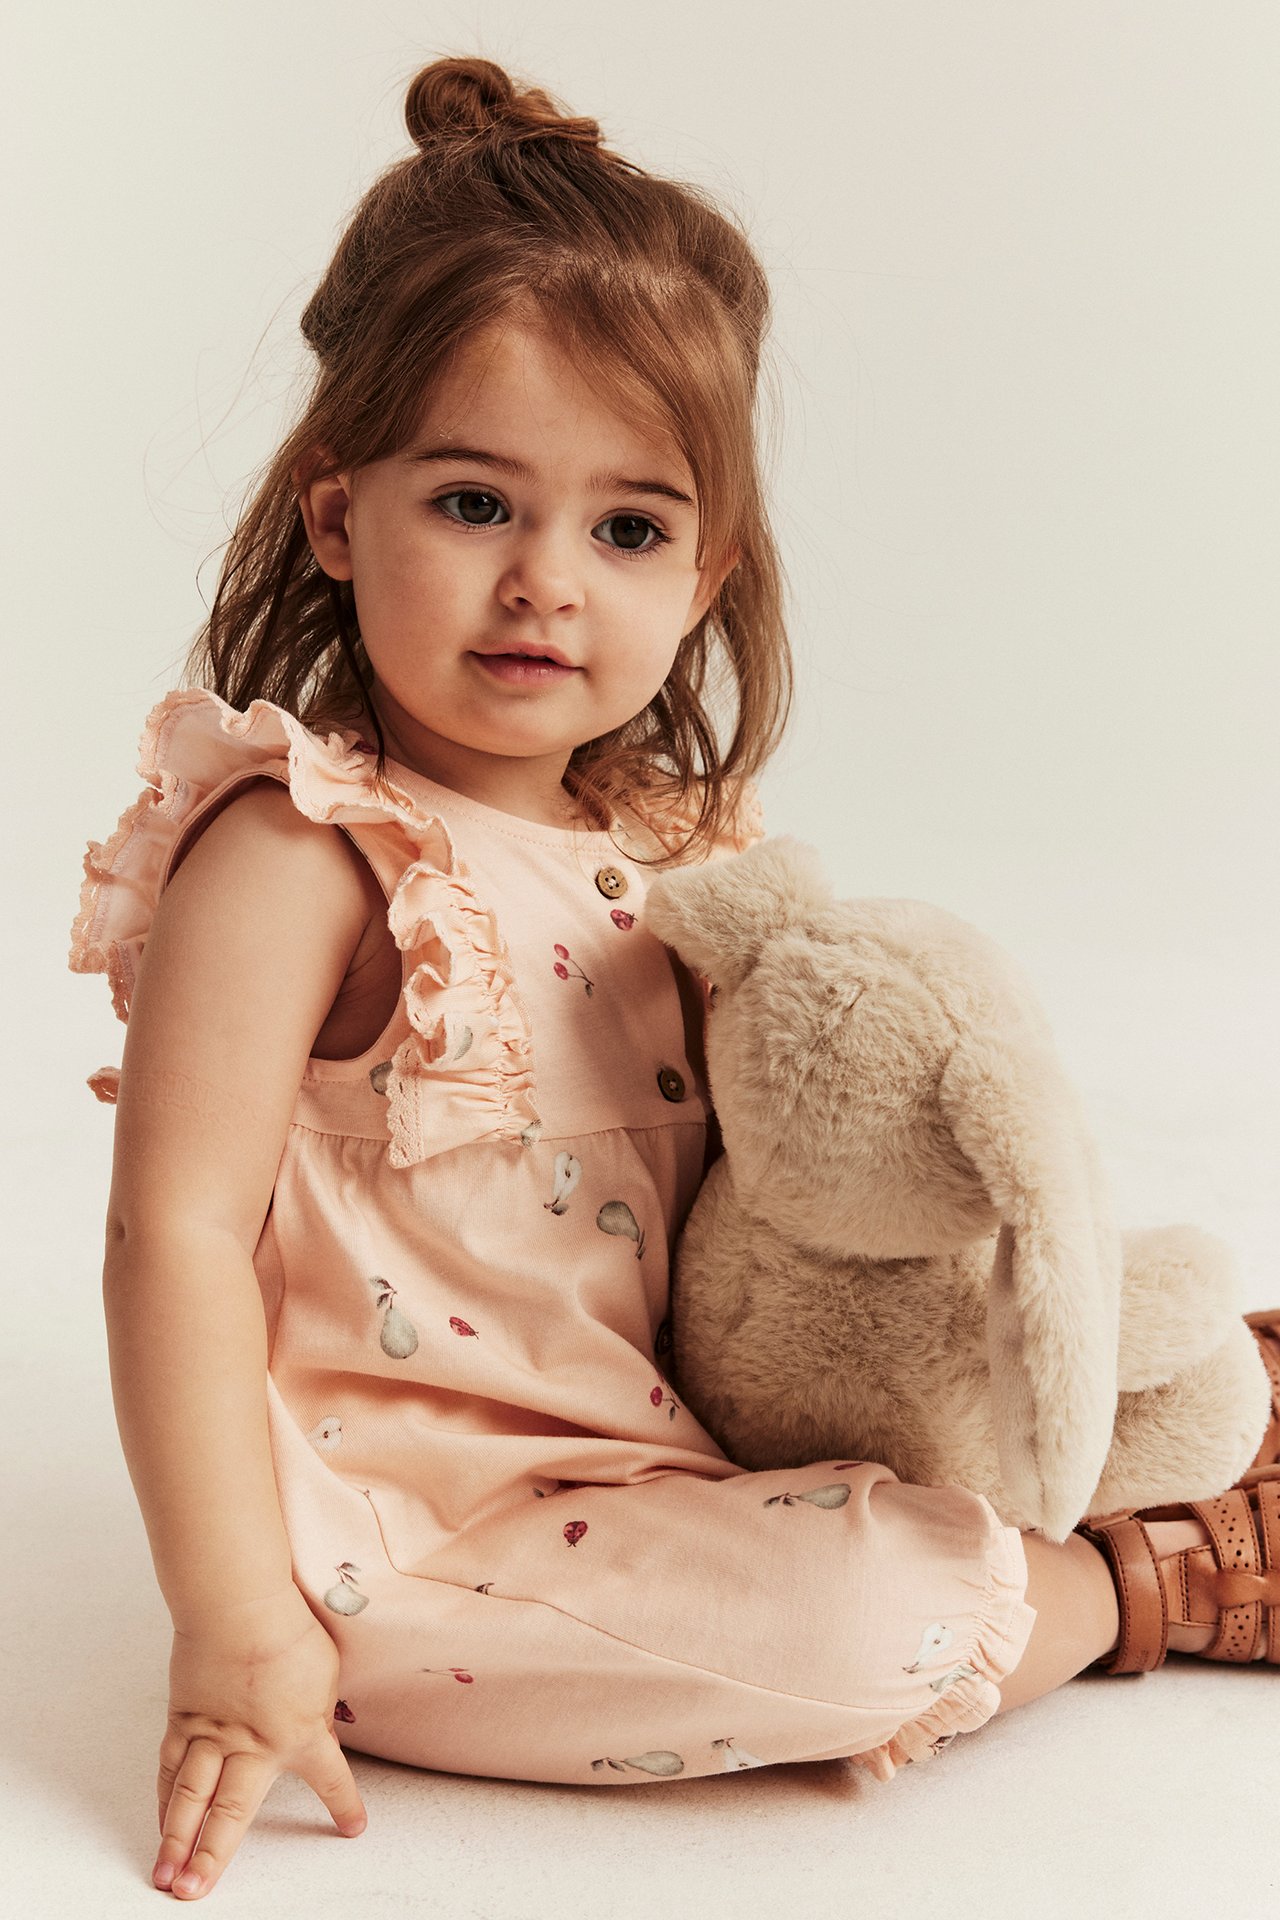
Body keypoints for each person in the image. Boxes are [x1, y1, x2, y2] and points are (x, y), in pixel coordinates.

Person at [68, 53, 1280, 1906]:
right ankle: (1142, 1579)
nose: (546, 583)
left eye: (624, 530)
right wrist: (236, 1619)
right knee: (876, 1608)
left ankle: (1137, 1406)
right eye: (475, 504)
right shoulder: (302, 849)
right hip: (417, 1540)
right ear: (338, 518)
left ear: (702, 578)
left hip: (676, 1455)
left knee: (939, 1324)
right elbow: (167, 1233)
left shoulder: (674, 855)